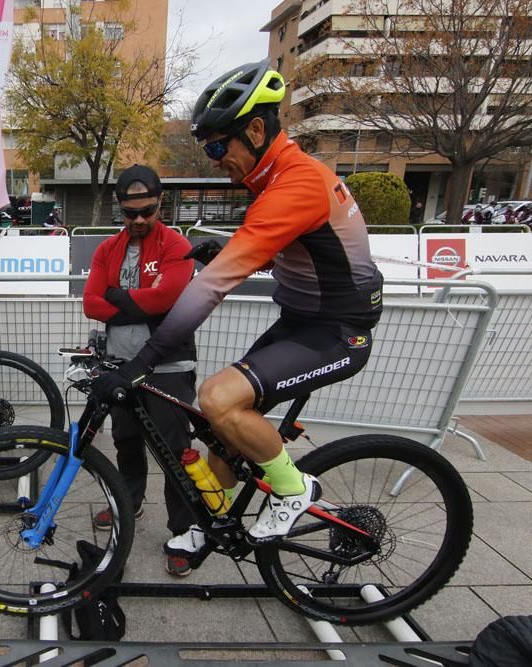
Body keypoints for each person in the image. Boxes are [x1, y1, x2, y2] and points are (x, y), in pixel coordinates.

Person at [92, 59, 384, 542]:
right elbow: (308, 255)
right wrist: (229, 248)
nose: (212, 158)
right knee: (220, 426)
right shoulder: (278, 178)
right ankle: (215, 524)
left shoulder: (294, 185)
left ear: (253, 129)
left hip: (334, 333)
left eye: (215, 145)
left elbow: (209, 289)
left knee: (216, 397)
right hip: (302, 321)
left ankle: (293, 491)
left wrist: (141, 362)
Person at [83, 164, 202, 576]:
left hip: (168, 364)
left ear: (159, 204)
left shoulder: (175, 245)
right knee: (126, 441)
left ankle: (183, 531)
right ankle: (127, 500)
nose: (137, 221)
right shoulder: (106, 249)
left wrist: (118, 298)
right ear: (119, 207)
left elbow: (169, 297)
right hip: (119, 364)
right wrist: (143, 299)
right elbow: (90, 303)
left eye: (146, 212)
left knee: (174, 452)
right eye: (129, 213)